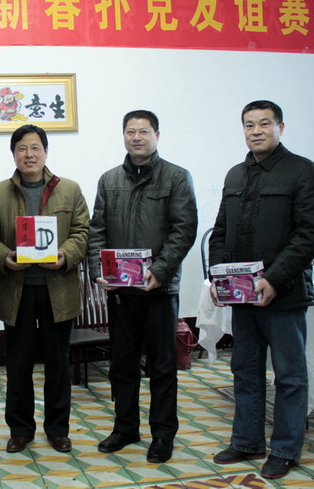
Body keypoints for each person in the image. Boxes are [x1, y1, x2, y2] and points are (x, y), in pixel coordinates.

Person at [209, 100, 314, 479]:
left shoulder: (302, 171)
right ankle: (246, 441)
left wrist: (274, 280)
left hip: (284, 294)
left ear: (280, 127)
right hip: (241, 295)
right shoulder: (235, 175)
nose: (256, 131)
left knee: (289, 376)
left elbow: (310, 234)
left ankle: (286, 449)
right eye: (249, 125)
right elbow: (220, 232)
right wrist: (217, 277)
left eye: (264, 124)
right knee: (245, 371)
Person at [88, 110, 197, 463]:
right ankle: (125, 428)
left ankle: (163, 434)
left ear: (157, 136)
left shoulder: (176, 177)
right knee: (122, 364)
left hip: (159, 290)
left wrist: (160, 271)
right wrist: (98, 271)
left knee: (162, 366)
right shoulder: (109, 180)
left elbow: (184, 230)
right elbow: (96, 231)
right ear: (123, 136)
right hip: (121, 293)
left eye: (144, 131)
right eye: (131, 131)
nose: (137, 137)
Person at [0, 124, 89, 454]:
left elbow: (83, 232)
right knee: (18, 364)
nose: (28, 155)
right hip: (15, 291)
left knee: (58, 363)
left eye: (35, 148)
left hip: (57, 290)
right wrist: (5, 257)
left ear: (46, 152)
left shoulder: (69, 190)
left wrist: (65, 255)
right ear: (13, 154)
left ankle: (58, 429)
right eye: (21, 148)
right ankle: (20, 430)